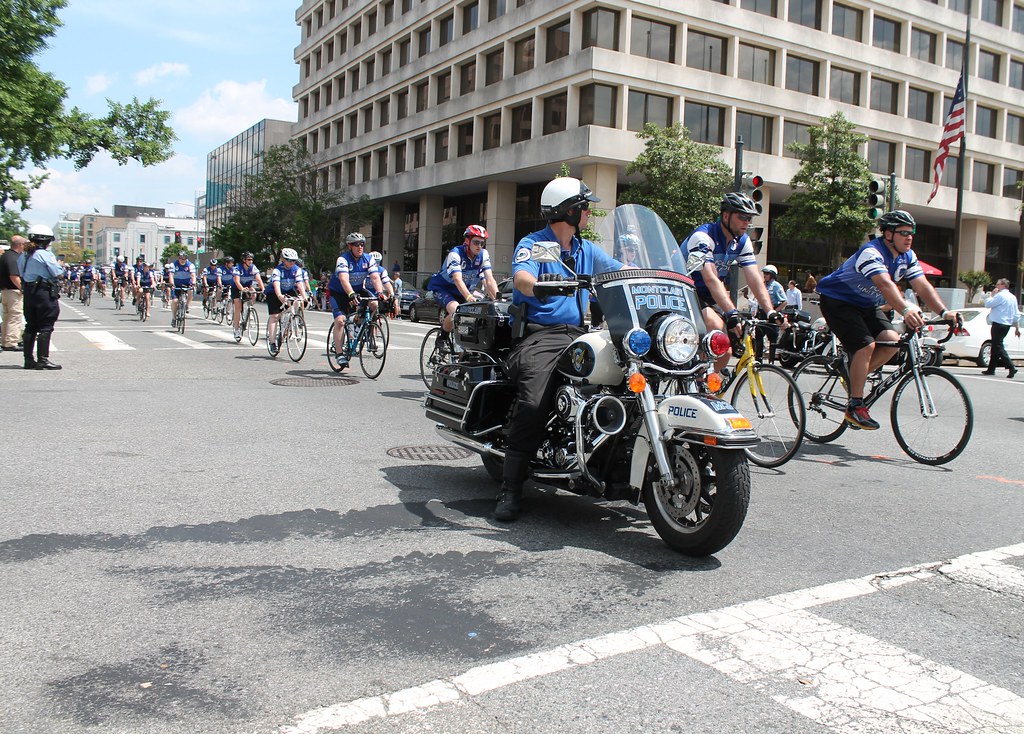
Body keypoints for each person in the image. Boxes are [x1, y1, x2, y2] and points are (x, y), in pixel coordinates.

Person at [495, 176, 623, 522]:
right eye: (585, 207)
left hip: (579, 334)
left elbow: (619, 271)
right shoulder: (538, 244)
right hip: (541, 336)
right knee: (535, 401)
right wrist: (542, 285)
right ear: (569, 210)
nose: (588, 214)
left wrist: (657, 274)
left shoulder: (585, 249)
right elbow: (522, 277)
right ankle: (510, 488)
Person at [815, 210, 958, 430]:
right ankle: (855, 405)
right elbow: (885, 284)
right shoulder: (871, 252)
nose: (909, 237)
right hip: (838, 302)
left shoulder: (907, 256)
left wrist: (944, 312)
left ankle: (854, 380)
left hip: (865, 304)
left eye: (912, 233)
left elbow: (923, 286)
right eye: (903, 233)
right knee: (866, 346)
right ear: (888, 234)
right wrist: (905, 309)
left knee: (892, 340)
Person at [679, 193, 783, 372]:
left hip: (708, 295)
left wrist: (770, 310)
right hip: (685, 290)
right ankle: (694, 385)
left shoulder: (742, 241)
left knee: (725, 352)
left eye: (749, 218)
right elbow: (711, 278)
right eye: (742, 217)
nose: (747, 222)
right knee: (717, 328)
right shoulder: (703, 237)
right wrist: (732, 313)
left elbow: (754, 278)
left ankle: (704, 387)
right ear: (726, 216)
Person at [427, 224, 499, 349]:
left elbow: (489, 280)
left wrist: (498, 299)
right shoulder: (455, 254)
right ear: (467, 240)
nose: (479, 246)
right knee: (457, 311)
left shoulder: (483, 255)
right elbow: (457, 278)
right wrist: (469, 296)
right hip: (444, 288)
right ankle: (442, 337)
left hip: (463, 291)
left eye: (482, 243)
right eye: (476, 242)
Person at [327, 233, 384, 367]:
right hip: (340, 292)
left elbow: (375, 277)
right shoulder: (343, 259)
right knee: (340, 321)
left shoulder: (368, 259)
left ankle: (359, 325)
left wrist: (380, 292)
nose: (360, 247)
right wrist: (351, 294)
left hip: (357, 290)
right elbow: (343, 279)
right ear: (350, 246)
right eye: (357, 244)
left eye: (362, 244)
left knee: (374, 303)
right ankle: (340, 354)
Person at [17, 224, 64, 370]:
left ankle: (28, 360)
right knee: (46, 326)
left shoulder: (24, 255)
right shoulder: (44, 254)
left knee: (31, 326)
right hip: (43, 292)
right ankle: (43, 359)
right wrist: (60, 265)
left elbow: (20, 272)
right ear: (45, 240)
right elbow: (57, 272)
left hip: (29, 292)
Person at [265, 247, 308, 354]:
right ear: (283, 259)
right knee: (274, 316)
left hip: (289, 289)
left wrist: (304, 296)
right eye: (289, 260)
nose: (292, 262)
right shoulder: (277, 270)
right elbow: (276, 285)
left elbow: (299, 283)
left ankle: (289, 321)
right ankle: (272, 342)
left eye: (294, 260)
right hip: (274, 292)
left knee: (297, 301)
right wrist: (279, 295)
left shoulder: (297, 269)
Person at [982, 278, 1019, 378]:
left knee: (998, 345)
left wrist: (991, 295)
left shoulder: (1000, 295)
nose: (996, 286)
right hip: (1007, 324)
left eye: (997, 284)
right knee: (995, 345)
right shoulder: (1013, 297)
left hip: (998, 323)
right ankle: (991, 369)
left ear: (1003, 285)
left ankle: (1011, 366)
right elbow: (1016, 314)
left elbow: (988, 304)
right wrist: (1017, 327)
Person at [755, 264, 787, 363]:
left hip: (772, 315)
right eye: (764, 273)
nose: (765, 275)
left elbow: (784, 301)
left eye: (767, 273)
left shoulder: (776, 286)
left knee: (772, 339)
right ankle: (758, 360)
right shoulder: (762, 284)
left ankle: (771, 361)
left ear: (772, 275)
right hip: (761, 314)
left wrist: (774, 312)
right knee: (758, 337)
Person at [1, 235, 26, 352]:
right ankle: (11, 342)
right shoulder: (13, 258)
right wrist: (22, 288)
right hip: (13, 291)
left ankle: (6, 341)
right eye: (24, 244)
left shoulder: (5, 256)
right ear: (20, 245)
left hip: (5, 290)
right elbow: (13, 275)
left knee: (7, 317)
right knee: (15, 316)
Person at [231, 252, 265, 339]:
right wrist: (242, 289)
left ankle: (249, 310)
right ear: (244, 260)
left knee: (253, 292)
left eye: (252, 260)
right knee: (238, 307)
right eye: (249, 260)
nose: (251, 261)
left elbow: (258, 279)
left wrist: (263, 290)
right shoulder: (237, 268)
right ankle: (236, 329)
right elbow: (237, 281)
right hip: (237, 288)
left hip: (247, 287)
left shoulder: (253, 267)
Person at [168, 250, 197, 323]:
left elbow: (193, 275)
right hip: (176, 284)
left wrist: (193, 283)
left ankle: (187, 305)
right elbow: (171, 275)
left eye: (184, 258)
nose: (183, 260)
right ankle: (174, 318)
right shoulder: (173, 265)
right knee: (175, 301)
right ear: (178, 258)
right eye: (181, 258)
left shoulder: (190, 265)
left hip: (187, 283)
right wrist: (172, 284)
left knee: (191, 290)